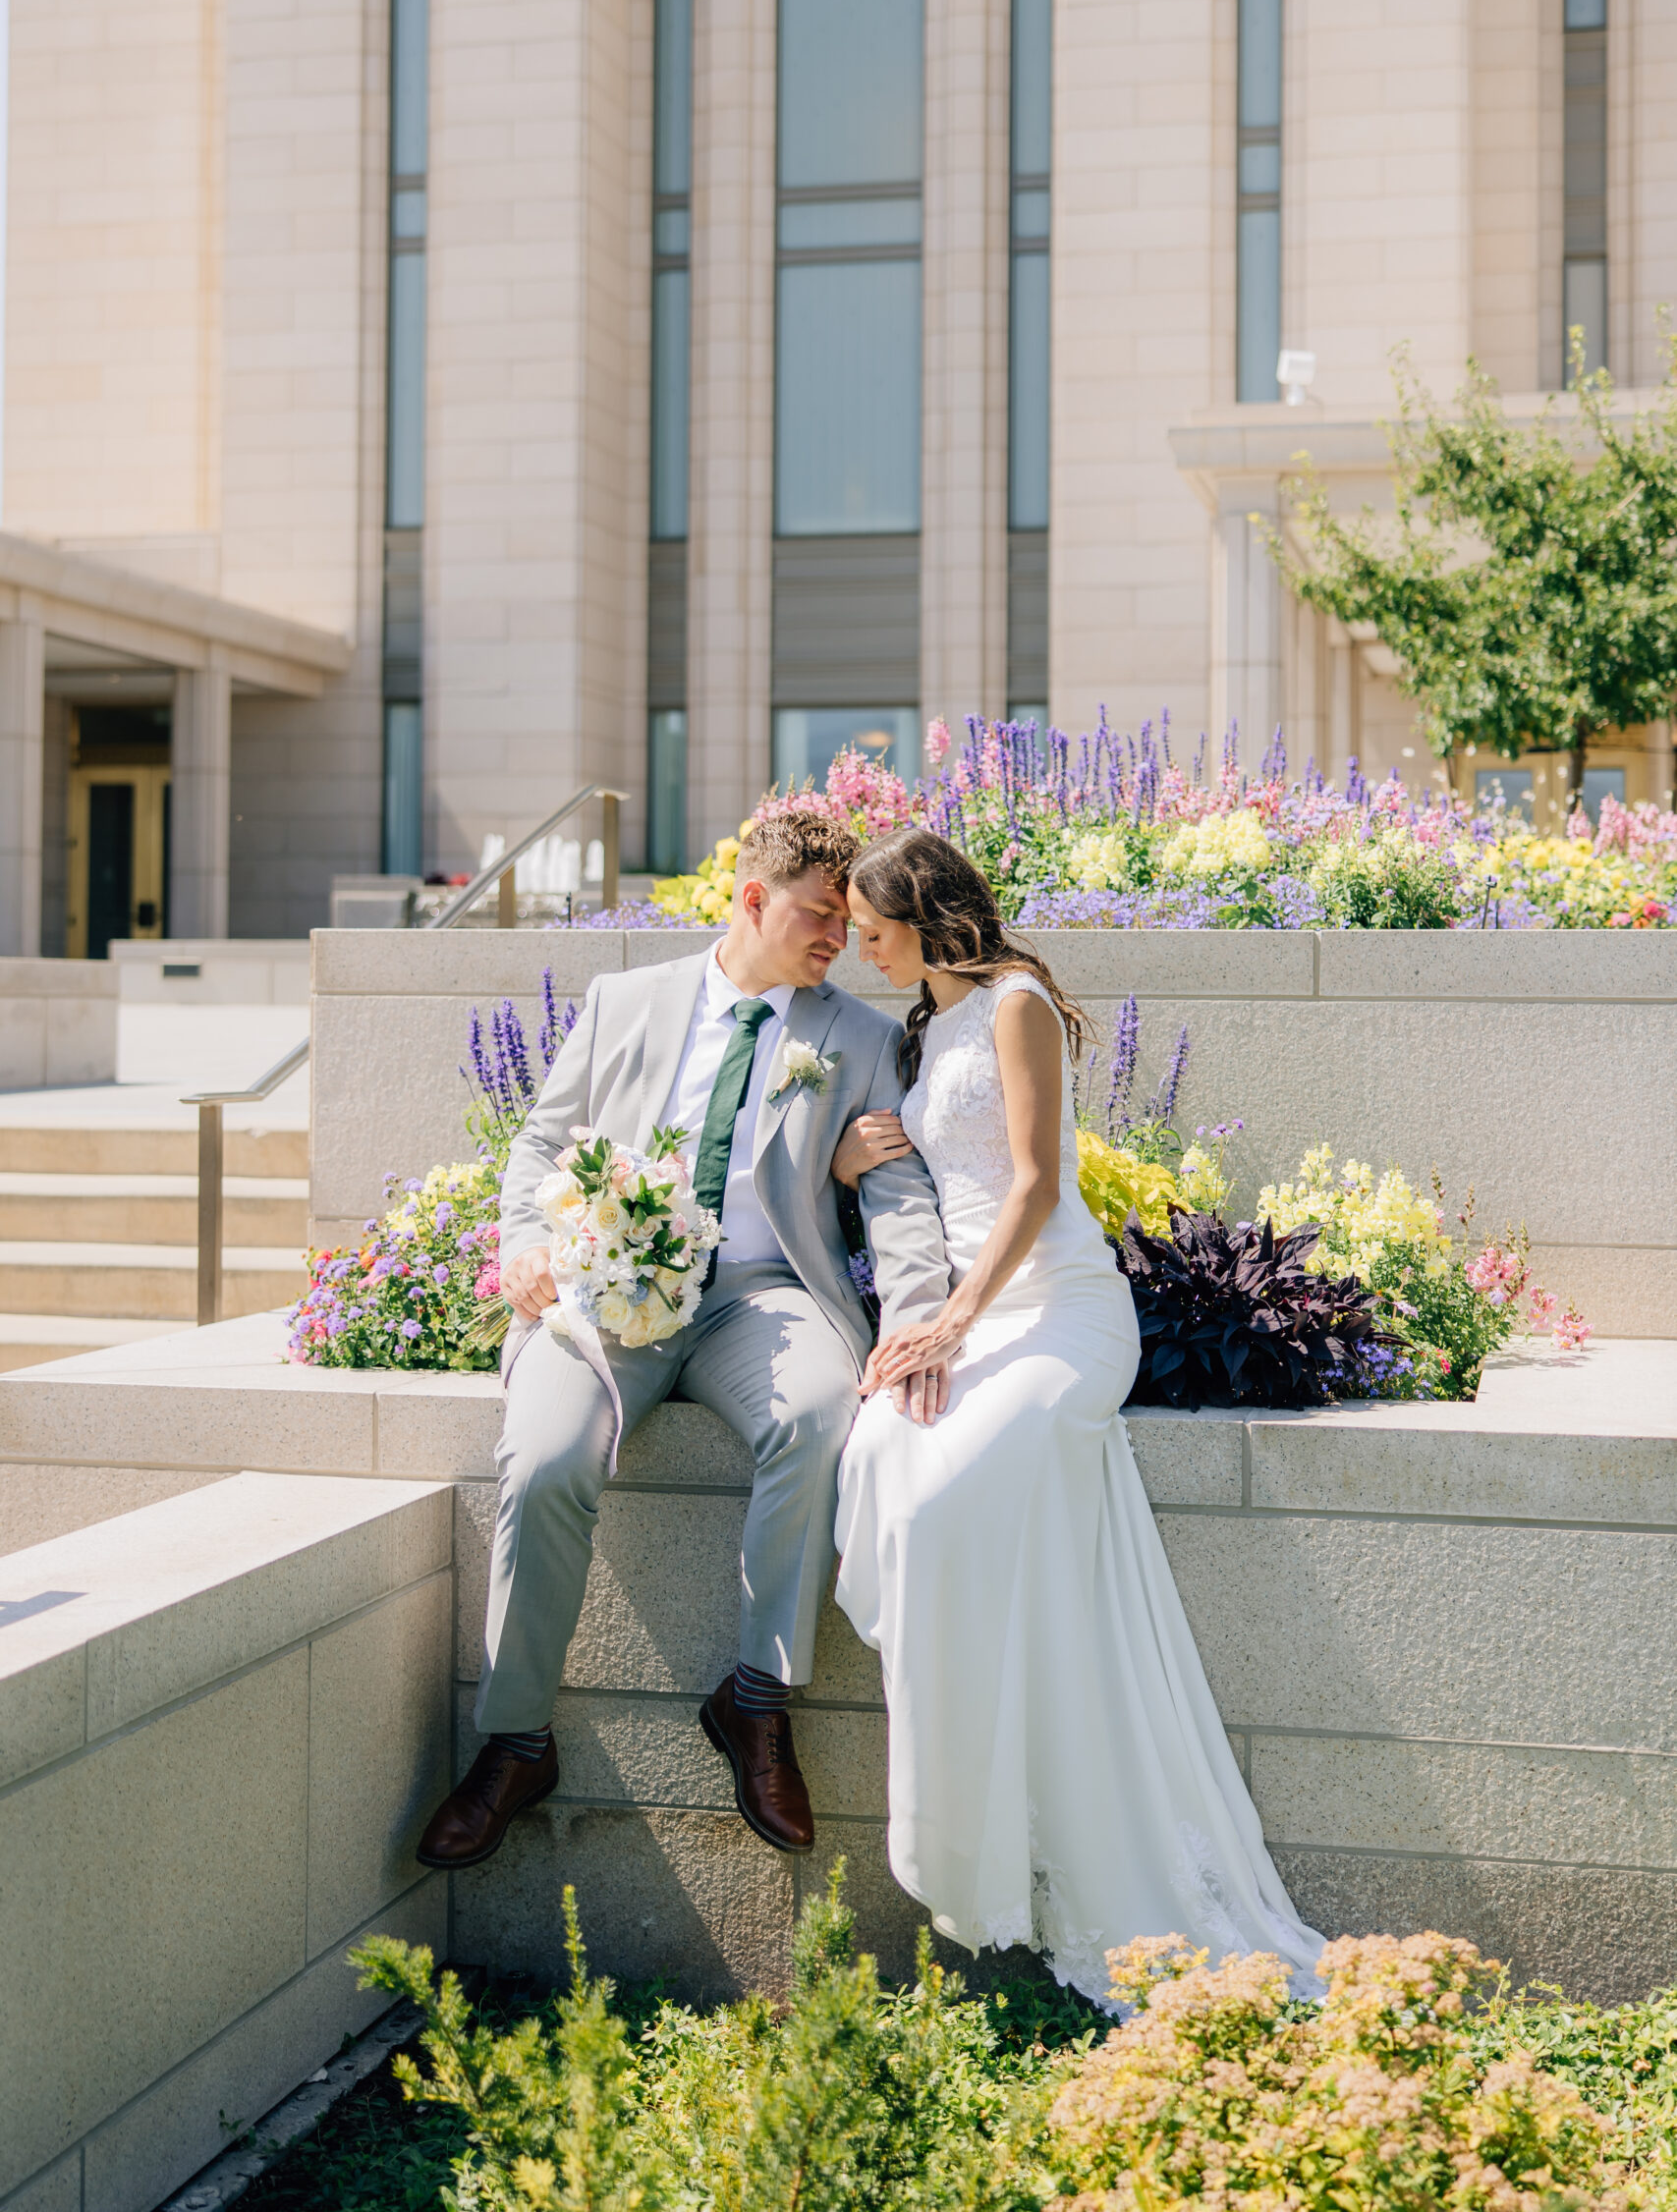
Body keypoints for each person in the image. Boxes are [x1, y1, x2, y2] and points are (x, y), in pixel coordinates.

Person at [830, 827, 1321, 2002]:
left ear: (923, 910)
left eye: (874, 927)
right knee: (885, 1457)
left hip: (1061, 1315)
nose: (861, 946)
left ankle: (1005, 1821)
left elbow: (1039, 1178)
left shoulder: (1015, 1005)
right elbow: (924, 1171)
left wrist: (951, 1325)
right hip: (974, 1316)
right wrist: (852, 1166)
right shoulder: (923, 1025)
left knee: (944, 1500)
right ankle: (968, 1810)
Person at [416, 808, 949, 1872]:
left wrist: (920, 1316)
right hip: (610, 1295)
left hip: (763, 1294)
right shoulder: (626, 1002)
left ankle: (755, 1700)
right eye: (819, 915)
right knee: (545, 1455)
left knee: (815, 1413)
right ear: (753, 901)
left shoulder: (857, 1037)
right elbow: (540, 1143)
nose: (837, 937)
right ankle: (517, 1742)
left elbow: (896, 1195)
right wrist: (525, 1243)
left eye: (847, 922)